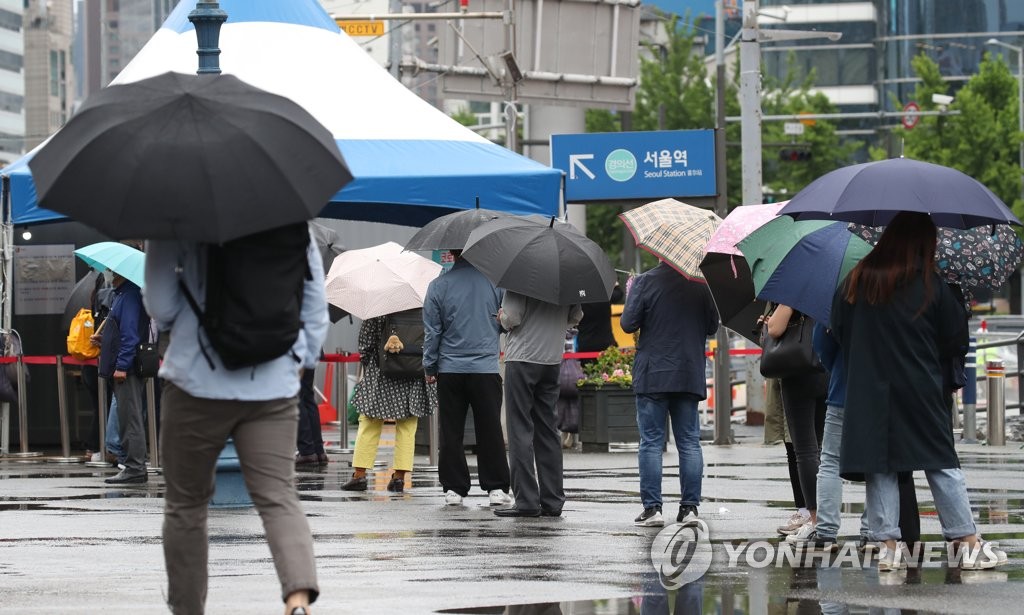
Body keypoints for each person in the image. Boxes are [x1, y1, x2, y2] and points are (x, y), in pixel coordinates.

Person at [143, 232, 328, 615]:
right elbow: (314, 306)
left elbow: (161, 307)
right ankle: (298, 598)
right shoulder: (292, 220)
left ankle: (187, 608)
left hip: (195, 380)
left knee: (186, 505)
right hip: (272, 382)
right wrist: (299, 363)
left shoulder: (175, 217)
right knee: (278, 496)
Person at [831, 211, 1006, 571]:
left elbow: (838, 329)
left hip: (869, 390)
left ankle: (888, 548)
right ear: (923, 244)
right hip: (920, 387)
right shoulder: (931, 285)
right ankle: (966, 541)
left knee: (881, 466)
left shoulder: (856, 280)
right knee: (940, 461)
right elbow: (954, 340)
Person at [619, 260, 719, 527]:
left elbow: (628, 324)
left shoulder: (645, 282)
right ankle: (689, 509)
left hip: (654, 374)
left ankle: (652, 509)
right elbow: (712, 327)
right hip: (688, 372)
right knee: (688, 442)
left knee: (651, 442)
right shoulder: (702, 285)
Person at [422, 250, 511, 506]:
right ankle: (495, 487)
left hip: (450, 368)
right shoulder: (496, 283)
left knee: (451, 429)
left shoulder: (438, 286)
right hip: (486, 367)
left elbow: (432, 332)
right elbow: (507, 322)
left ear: (450, 253)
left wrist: (430, 367)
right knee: (490, 428)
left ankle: (454, 488)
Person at [494, 291, 583, 518]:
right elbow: (575, 316)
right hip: (552, 358)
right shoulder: (567, 279)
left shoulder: (519, 279)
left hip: (522, 357)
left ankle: (526, 501)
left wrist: (501, 316)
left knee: (519, 428)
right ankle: (553, 500)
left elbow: (511, 318)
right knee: (547, 428)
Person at [342, 315, 437, 493]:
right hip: (414, 371)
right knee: (407, 425)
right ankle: (399, 478)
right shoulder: (423, 304)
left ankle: (360, 475)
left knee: (369, 421)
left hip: (382, 370)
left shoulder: (381, 305)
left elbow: (366, 342)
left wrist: (369, 362)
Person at [763, 304, 826, 542]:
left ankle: (814, 520)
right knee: (819, 449)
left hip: (799, 371)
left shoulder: (795, 288)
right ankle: (825, 520)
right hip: (825, 369)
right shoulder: (831, 282)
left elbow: (776, 329)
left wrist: (771, 321)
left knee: (805, 450)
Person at [93, 271, 148, 484]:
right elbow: (123, 332)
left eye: (112, 270)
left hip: (127, 368)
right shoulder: (122, 295)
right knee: (127, 417)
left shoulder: (130, 295)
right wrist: (104, 339)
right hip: (123, 365)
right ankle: (133, 465)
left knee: (130, 418)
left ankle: (135, 467)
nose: (109, 273)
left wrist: (123, 365)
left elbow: (130, 335)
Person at [575, 282, 623, 364]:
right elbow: (618, 294)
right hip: (606, 342)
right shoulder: (603, 293)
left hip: (585, 344)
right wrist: (615, 284)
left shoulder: (578, 295)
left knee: (588, 373)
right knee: (609, 374)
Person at [295, 366, 328, 466]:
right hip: (309, 353)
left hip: (295, 354)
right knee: (307, 394)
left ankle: (307, 451)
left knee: (296, 396)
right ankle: (318, 451)